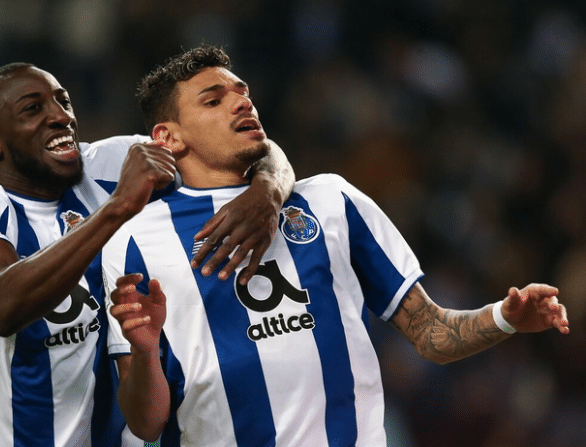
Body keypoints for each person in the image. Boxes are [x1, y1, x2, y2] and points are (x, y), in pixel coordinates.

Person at [102, 45, 570, 447]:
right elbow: (147, 422)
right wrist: (143, 351)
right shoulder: (133, 241)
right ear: (168, 137)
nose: (241, 103)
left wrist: (504, 318)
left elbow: (430, 333)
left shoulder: (332, 200)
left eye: (243, 92)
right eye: (213, 99)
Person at [0, 62, 294, 446]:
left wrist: (267, 190)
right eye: (33, 109)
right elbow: (2, 305)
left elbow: (240, 145)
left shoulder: (109, 164)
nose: (61, 117)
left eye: (63, 102)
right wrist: (117, 207)